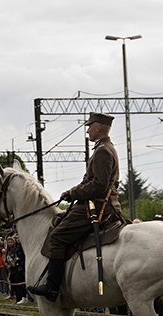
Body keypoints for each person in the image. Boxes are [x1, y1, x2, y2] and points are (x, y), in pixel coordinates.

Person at [28, 112, 123, 302]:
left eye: (89, 126)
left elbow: (99, 185)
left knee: (58, 236)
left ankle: (52, 287)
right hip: (98, 203)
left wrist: (74, 194)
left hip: (96, 206)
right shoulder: (105, 148)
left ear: (97, 127)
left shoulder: (103, 150)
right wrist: (73, 191)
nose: (87, 130)